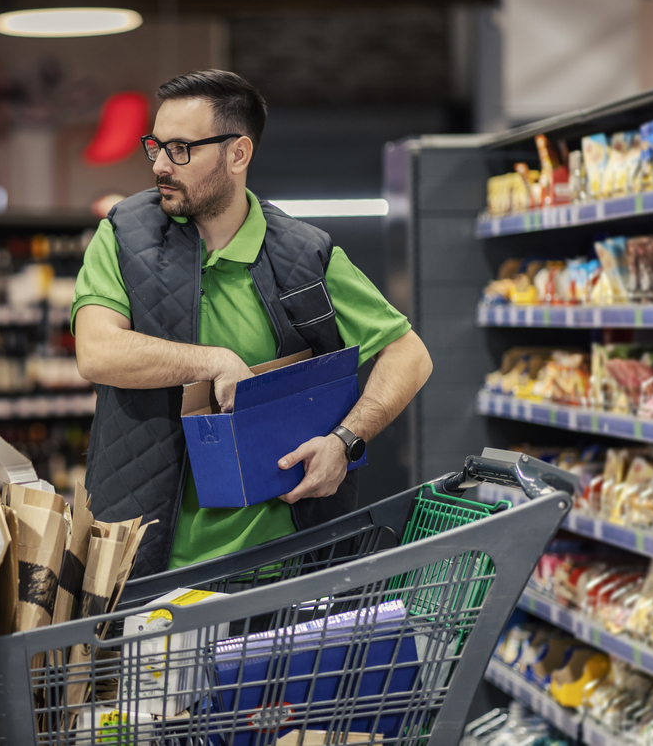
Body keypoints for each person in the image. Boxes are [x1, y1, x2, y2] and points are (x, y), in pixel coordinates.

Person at [73, 69, 433, 579]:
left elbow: (410, 355)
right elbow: (97, 351)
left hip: (281, 570)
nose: (158, 165)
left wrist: (346, 440)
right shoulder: (123, 238)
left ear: (237, 154)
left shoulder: (305, 256)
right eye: (154, 146)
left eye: (180, 149)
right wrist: (213, 361)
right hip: (149, 570)